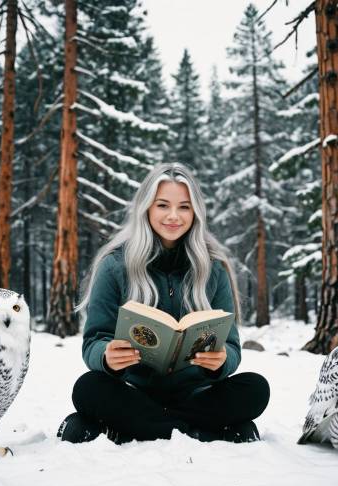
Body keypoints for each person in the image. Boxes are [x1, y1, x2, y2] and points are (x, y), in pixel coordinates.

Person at [57, 163, 270, 444]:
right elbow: (94, 340)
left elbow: (231, 346)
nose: (173, 216)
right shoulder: (114, 265)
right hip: (132, 390)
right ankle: (198, 431)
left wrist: (221, 362)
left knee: (255, 388)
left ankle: (134, 428)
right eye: (162, 205)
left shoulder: (214, 267)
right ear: (146, 208)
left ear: (195, 213)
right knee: (88, 388)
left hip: (196, 394)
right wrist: (107, 356)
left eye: (184, 207)